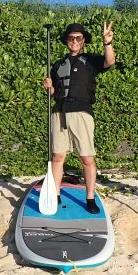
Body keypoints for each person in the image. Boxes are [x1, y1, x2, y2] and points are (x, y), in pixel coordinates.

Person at [42, 22, 115, 214]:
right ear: (66, 41)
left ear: (83, 42)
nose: (74, 41)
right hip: (59, 112)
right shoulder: (58, 65)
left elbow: (110, 62)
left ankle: (90, 198)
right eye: (71, 38)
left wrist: (107, 43)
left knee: (86, 158)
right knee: (58, 156)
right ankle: (55, 194)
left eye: (78, 38)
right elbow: (53, 93)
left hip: (82, 112)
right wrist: (49, 88)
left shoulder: (90, 61)